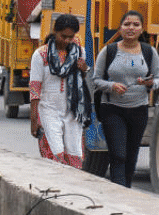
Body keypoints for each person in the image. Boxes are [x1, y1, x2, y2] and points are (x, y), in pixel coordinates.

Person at [92, 10, 157, 187]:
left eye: (136, 25)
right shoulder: (109, 51)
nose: (131, 28)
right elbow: (96, 80)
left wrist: (150, 83)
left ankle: (124, 191)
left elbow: (157, 79)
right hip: (112, 108)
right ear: (120, 28)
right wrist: (112, 86)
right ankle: (118, 191)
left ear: (142, 29)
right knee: (118, 154)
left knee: (131, 156)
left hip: (139, 110)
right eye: (127, 24)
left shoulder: (149, 52)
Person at [29, 14, 92, 168]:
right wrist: (34, 119)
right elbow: (35, 88)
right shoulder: (40, 55)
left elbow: (81, 80)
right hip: (48, 109)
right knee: (54, 154)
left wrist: (84, 69)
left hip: (73, 111)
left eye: (71, 37)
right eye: (63, 36)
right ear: (55, 32)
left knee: (74, 154)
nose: (67, 41)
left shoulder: (79, 52)